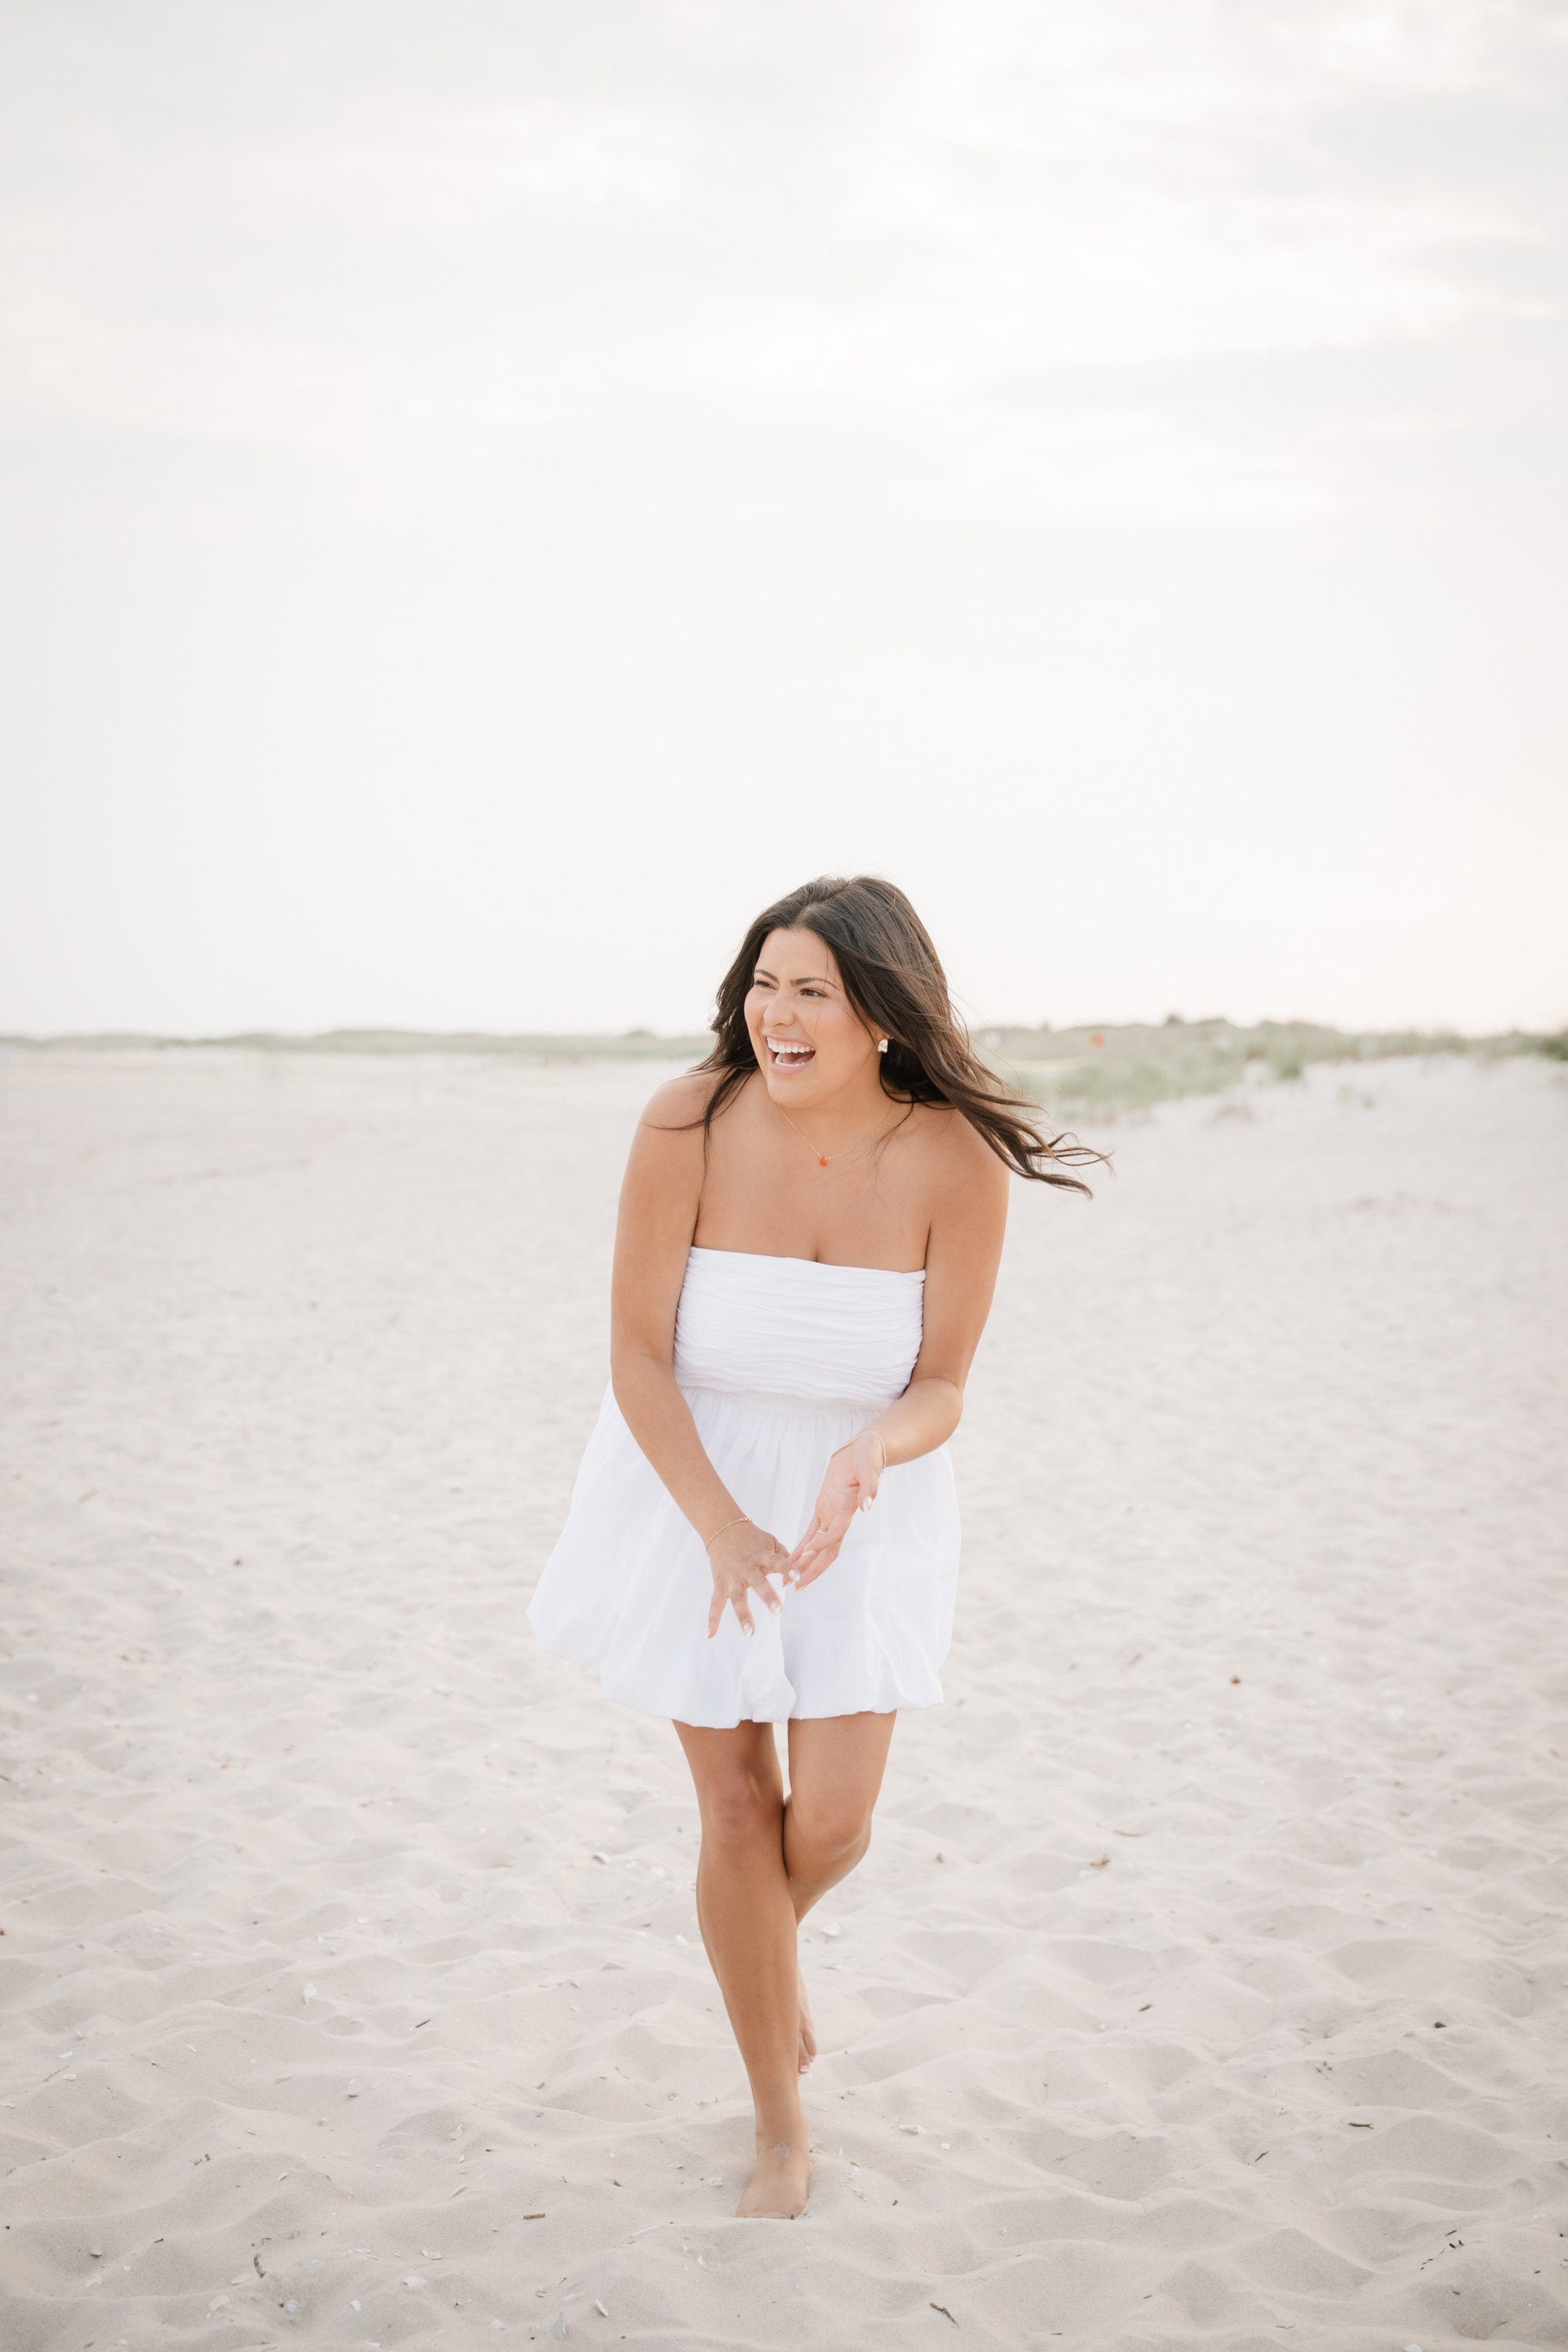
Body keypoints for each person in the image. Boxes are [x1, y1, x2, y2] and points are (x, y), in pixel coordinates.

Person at [527, 874, 1096, 2219]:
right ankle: (781, 2123)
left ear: (882, 1016)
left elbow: (945, 1382)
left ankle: (757, 1963)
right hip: (691, 1490)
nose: (775, 1017)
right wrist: (719, 1524)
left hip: (865, 1506)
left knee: (833, 1821)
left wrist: (876, 1451)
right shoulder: (688, 1121)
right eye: (762, 985)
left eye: (811, 994)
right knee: (734, 1811)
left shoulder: (952, 1158)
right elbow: (633, 1351)